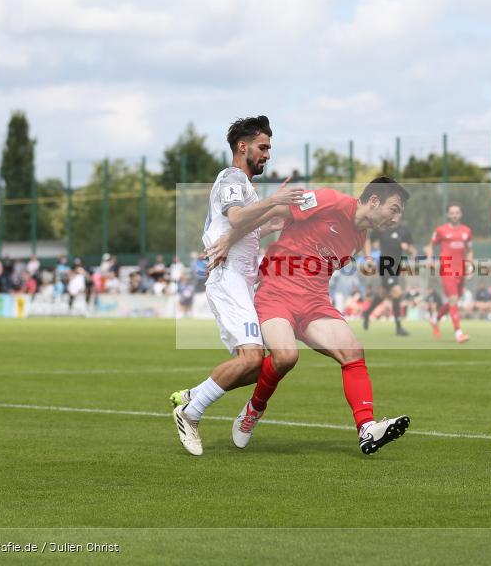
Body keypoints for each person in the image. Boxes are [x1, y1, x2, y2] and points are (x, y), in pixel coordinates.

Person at [235, 177, 412, 455]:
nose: (397, 217)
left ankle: (367, 428)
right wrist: (233, 240)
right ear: (374, 201)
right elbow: (278, 210)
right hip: (277, 293)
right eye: (395, 208)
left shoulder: (360, 237)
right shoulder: (330, 200)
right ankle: (254, 409)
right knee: (285, 357)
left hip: (315, 302)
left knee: (353, 351)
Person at [170, 115, 303, 457]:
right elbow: (237, 218)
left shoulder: (246, 186)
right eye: (263, 147)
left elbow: (245, 225)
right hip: (228, 277)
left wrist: (273, 221)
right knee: (251, 358)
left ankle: (192, 396)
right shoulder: (232, 177)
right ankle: (190, 412)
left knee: (256, 365)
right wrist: (274, 201)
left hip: (242, 280)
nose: (267, 155)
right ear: (242, 147)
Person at [424, 204, 473, 343]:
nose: (455, 215)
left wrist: (470, 266)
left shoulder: (467, 231)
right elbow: (430, 246)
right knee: (453, 300)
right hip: (447, 267)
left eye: (457, 212)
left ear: (461, 214)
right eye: (452, 213)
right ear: (448, 215)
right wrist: (430, 259)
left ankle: (435, 319)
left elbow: (469, 250)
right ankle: (458, 333)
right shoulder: (441, 230)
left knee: (455, 300)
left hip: (461, 269)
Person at [362, 222, 416, 336]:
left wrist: (407, 248)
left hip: (396, 267)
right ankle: (399, 327)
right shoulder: (381, 228)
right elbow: (367, 241)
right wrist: (368, 258)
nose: (394, 215)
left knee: (382, 294)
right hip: (385, 266)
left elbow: (413, 251)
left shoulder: (404, 230)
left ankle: (367, 313)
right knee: (396, 292)